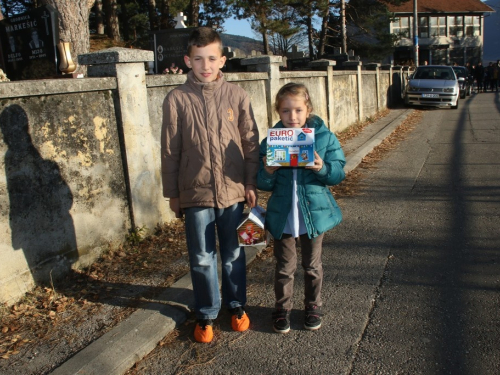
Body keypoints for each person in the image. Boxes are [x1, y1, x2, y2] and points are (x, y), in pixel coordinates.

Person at [161, 27, 260, 343]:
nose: (206, 65)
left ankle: (236, 305)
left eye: (212, 58)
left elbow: (250, 142)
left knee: (232, 252)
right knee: (202, 256)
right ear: (188, 60)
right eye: (199, 59)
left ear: (222, 61)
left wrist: (250, 182)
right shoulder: (176, 99)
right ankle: (206, 313)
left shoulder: (237, 96)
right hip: (195, 192)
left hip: (232, 191)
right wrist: (173, 193)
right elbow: (169, 150)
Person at [257, 83, 346, 334]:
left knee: (312, 265)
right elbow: (261, 182)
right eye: (285, 111)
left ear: (308, 109)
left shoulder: (324, 138)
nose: (292, 117)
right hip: (283, 214)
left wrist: (322, 168)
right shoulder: (270, 142)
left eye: (298, 110)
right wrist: (268, 171)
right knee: (285, 267)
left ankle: (312, 305)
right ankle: (282, 308)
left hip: (313, 215)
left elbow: (338, 173)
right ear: (278, 112)